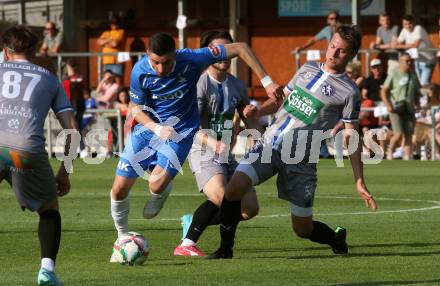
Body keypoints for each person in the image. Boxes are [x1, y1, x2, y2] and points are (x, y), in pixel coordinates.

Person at [108, 32, 283, 261]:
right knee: (119, 188)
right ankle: (123, 238)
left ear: (175, 55)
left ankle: (187, 217)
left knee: (246, 208)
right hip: (152, 130)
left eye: (167, 62)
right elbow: (135, 108)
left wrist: (266, 84)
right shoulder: (140, 71)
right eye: (155, 63)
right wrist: (157, 128)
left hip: (184, 134)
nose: (161, 69)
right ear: (148, 56)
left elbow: (241, 48)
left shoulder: (192, 60)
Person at [209, 25, 378, 259]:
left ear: (351, 55)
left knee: (302, 228)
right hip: (269, 145)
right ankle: (225, 249)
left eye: (341, 51)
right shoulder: (307, 68)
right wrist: (257, 111)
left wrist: (359, 180)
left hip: (301, 159)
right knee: (234, 188)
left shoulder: (349, 92)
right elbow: (281, 101)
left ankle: (335, 239)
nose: (333, 53)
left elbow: (352, 135)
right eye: (332, 46)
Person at [0, 25, 79, 285]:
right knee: (48, 210)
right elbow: (72, 130)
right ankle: (47, 270)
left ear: (5, 51)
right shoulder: (49, 78)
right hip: (25, 150)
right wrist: (64, 171)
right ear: (35, 52)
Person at [173, 30, 261, 257]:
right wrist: (213, 142)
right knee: (223, 198)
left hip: (226, 154)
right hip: (202, 150)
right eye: (218, 50)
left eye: (228, 50)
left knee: (249, 208)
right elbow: (188, 127)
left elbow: (248, 118)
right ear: (208, 53)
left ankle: (194, 222)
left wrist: (257, 138)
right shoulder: (199, 84)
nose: (224, 55)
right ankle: (186, 244)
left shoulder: (238, 86)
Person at [381, 53, 421, 160]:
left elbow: (417, 91)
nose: (409, 63)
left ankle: (407, 157)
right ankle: (389, 153)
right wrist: (388, 104)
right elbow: (384, 90)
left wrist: (418, 103)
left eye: (410, 61)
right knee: (398, 134)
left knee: (408, 134)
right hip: (396, 108)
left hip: (409, 108)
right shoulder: (394, 73)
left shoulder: (413, 75)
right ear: (401, 62)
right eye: (406, 61)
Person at [394, 15, 435, 86]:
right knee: (418, 84)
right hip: (417, 61)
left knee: (423, 84)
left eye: (409, 23)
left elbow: (415, 45)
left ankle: (428, 96)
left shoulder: (418, 28)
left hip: (428, 60)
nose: (407, 26)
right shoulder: (404, 30)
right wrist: (396, 44)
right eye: (405, 24)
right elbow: (396, 43)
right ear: (403, 24)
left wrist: (400, 46)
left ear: (413, 22)